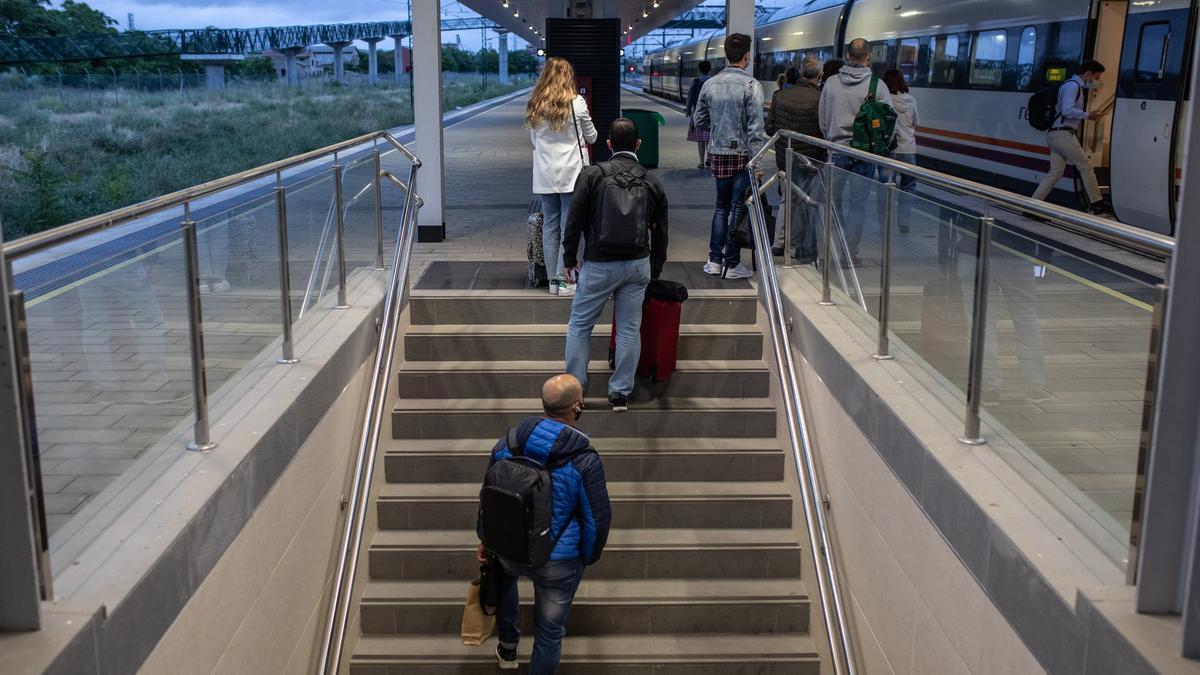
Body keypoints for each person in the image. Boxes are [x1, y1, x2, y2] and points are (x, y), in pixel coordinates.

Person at [477, 374, 612, 673]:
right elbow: (596, 519)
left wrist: (486, 539)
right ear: (577, 406)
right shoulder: (583, 460)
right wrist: (585, 558)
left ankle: (508, 650)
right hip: (558, 560)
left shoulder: (509, 442)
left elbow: (489, 495)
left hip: (509, 546)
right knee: (550, 632)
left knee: (507, 586)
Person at [562, 118, 669, 411]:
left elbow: (574, 220)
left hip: (599, 264)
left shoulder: (593, 175)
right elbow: (661, 232)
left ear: (608, 144)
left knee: (580, 325)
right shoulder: (651, 180)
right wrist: (654, 270)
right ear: (638, 144)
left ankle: (573, 392)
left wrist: (569, 258)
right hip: (637, 265)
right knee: (629, 329)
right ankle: (620, 393)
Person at [693, 32, 766, 280]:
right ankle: (732, 264)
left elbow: (699, 119)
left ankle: (714, 261)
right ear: (747, 55)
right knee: (737, 208)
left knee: (721, 207)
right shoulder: (751, 86)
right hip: (743, 155)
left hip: (717, 152)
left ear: (726, 55)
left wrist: (717, 130)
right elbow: (756, 129)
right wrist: (757, 163)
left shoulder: (709, 84)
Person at [818, 38, 893, 266]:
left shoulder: (830, 83)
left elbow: (822, 119)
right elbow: (889, 123)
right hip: (864, 154)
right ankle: (849, 252)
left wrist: (832, 137)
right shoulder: (878, 85)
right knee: (858, 205)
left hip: (836, 151)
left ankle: (832, 246)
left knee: (832, 202)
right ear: (869, 56)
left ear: (848, 56)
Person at [527, 56, 598, 297]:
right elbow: (592, 137)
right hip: (572, 173)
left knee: (550, 225)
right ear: (569, 76)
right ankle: (565, 280)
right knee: (570, 227)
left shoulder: (535, 104)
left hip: (545, 173)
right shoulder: (577, 103)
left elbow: (533, 141)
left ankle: (552, 281)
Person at [766, 56, 825, 264]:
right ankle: (801, 247)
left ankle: (780, 243)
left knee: (786, 200)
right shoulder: (821, 99)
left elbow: (769, 127)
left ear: (801, 73)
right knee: (806, 202)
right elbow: (824, 131)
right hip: (810, 161)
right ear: (820, 75)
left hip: (785, 159)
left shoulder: (780, 95)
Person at [1031, 60, 1109, 215]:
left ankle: (1031, 206)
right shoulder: (1073, 86)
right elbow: (1067, 110)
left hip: (1056, 135)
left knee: (1054, 174)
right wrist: (1088, 115)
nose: (1096, 81)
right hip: (1063, 134)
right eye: (1096, 77)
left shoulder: (1071, 85)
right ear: (1088, 73)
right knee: (1085, 166)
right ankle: (1097, 203)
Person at [883, 69, 918, 234]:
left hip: (890, 149)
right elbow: (915, 122)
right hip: (909, 149)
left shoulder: (885, 100)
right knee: (909, 186)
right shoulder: (911, 101)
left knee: (887, 187)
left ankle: (885, 224)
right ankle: (904, 223)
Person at [684, 60, 713, 169]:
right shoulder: (713, 81)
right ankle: (709, 159)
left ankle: (701, 162)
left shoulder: (695, 81)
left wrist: (687, 110)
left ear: (699, 69)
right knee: (711, 139)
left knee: (701, 140)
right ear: (709, 69)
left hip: (698, 114)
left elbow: (690, 96)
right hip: (711, 115)